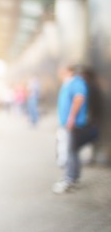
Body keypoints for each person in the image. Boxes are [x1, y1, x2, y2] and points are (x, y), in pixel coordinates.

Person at [53, 65, 89, 194]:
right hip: (68, 124)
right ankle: (73, 178)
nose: (60, 74)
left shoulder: (76, 83)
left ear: (68, 71)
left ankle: (70, 179)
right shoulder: (68, 84)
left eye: (62, 72)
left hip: (73, 125)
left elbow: (79, 98)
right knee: (72, 151)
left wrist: (71, 118)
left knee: (70, 152)